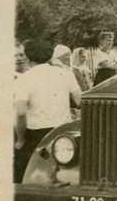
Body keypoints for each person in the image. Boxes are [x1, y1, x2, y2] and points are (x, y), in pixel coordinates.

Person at [15, 40, 82, 183]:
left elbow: (20, 113)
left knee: (22, 178)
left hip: (36, 137)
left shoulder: (23, 79)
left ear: (28, 57)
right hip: (64, 136)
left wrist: (20, 140)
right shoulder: (66, 74)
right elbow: (81, 101)